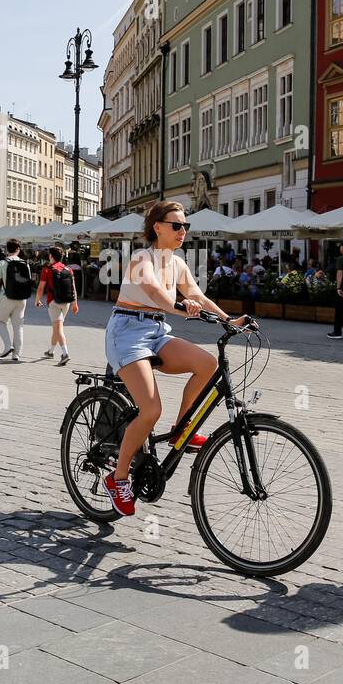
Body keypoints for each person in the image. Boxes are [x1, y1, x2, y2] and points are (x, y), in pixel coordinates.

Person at [101, 202, 250, 517]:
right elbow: (157, 295)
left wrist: (229, 320)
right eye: (177, 226)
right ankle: (118, 477)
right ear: (158, 227)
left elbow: (198, 296)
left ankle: (182, 429)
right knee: (150, 409)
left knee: (207, 364)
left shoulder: (178, 263)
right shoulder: (141, 260)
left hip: (156, 330)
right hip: (127, 333)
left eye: (186, 227)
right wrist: (181, 307)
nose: (183, 232)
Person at [35, 245, 80, 366]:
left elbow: (40, 288)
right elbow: (73, 287)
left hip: (53, 302)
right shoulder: (68, 269)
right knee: (57, 327)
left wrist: (37, 300)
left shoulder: (47, 269)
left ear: (51, 256)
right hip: (67, 302)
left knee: (58, 328)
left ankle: (65, 354)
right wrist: (75, 303)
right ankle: (50, 351)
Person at [0, 238, 31, 361]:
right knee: (18, 327)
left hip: (7, 297)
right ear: (18, 249)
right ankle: (16, 354)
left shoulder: (2, 263)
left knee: (0, 322)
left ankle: (8, 346)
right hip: (22, 299)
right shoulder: (25, 264)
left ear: (7, 249)